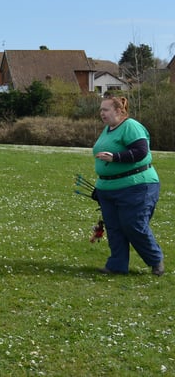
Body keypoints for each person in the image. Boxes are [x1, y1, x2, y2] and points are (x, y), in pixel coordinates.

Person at [93, 93, 164, 276]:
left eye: (105, 109)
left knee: (133, 225)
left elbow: (141, 151)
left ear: (118, 110)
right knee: (114, 227)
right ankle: (117, 265)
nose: (102, 113)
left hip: (136, 186)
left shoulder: (131, 126)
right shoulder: (108, 129)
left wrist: (115, 157)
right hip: (108, 189)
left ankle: (155, 260)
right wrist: (100, 186)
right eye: (101, 109)